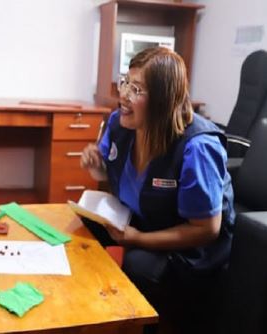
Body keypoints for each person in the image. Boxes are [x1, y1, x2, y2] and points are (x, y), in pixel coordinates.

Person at [80, 47, 234, 333]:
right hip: (144, 219)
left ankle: (142, 324)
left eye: (136, 89)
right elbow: (109, 171)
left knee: (139, 264)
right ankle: (88, 309)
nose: (123, 94)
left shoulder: (197, 148)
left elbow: (207, 230)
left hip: (188, 249)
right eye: (125, 81)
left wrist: (138, 239)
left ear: (162, 101)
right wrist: (96, 166)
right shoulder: (121, 123)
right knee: (84, 227)